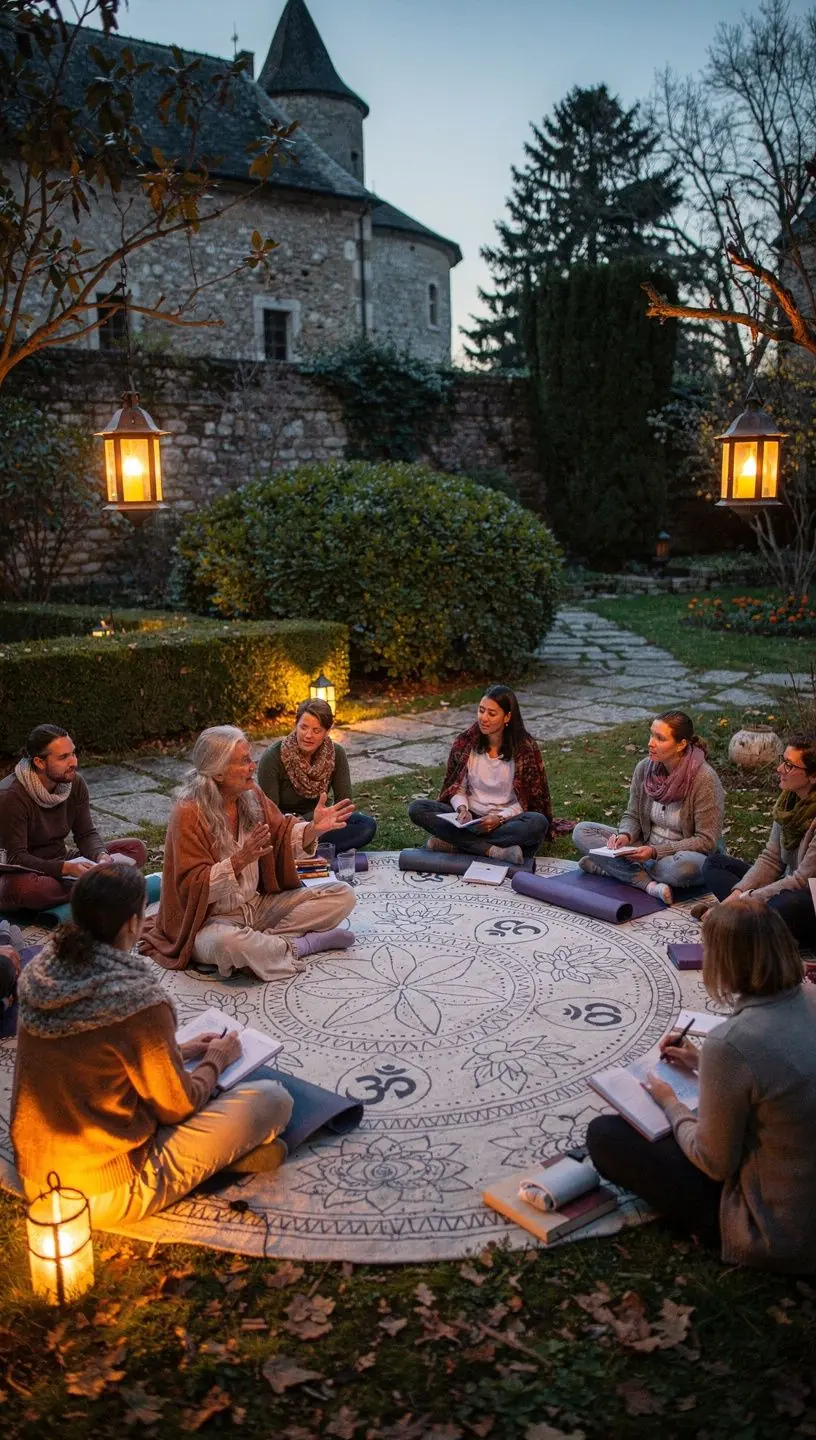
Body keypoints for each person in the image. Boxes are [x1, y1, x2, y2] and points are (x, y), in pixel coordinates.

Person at [11, 864, 294, 1228]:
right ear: (132, 924)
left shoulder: (40, 975)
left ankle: (228, 1158)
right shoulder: (137, 999)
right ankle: (223, 1160)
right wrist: (215, 1062)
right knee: (273, 1099)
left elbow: (94, 1054)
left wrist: (181, 1049)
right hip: (103, 1190)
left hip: (35, 1171)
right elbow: (178, 1107)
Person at [587, 901, 816, 1271]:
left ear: (725, 962)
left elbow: (714, 1162)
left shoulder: (732, 1043)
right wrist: (700, 1062)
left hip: (777, 1230)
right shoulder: (810, 997)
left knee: (605, 1135)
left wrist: (670, 1103)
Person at [141, 725, 356, 980]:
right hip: (211, 920)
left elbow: (281, 834)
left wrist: (313, 829)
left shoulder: (251, 793)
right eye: (244, 761)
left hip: (258, 905)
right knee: (227, 944)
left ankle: (260, 946)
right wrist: (241, 859)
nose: (252, 766)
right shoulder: (188, 813)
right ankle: (302, 945)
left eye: (250, 757)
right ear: (218, 772)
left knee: (343, 895)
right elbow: (191, 887)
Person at [572, 710, 724, 905]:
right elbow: (632, 815)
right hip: (643, 846)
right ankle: (648, 884)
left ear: (681, 744)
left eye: (660, 738)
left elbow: (706, 841)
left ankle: (610, 867)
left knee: (686, 869)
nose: (651, 743)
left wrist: (653, 853)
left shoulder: (705, 779)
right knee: (582, 831)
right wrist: (625, 836)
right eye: (651, 734)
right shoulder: (645, 768)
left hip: (679, 856)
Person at [0, 723, 146, 912]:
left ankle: (94, 886)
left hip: (64, 861)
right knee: (27, 890)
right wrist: (65, 869)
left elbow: (86, 833)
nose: (73, 762)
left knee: (135, 849)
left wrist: (100, 856)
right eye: (63, 757)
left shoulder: (74, 783)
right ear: (39, 762)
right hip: (24, 872)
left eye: (73, 754)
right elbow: (15, 857)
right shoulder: (11, 796)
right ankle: (101, 888)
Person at [407, 686, 552, 865]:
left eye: (492, 714)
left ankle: (455, 843)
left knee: (537, 823)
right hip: (469, 819)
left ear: (507, 717)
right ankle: (494, 851)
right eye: (481, 710)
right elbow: (457, 787)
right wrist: (462, 809)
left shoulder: (524, 749)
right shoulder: (466, 743)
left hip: (505, 820)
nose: (483, 718)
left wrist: (499, 818)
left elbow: (527, 801)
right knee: (418, 808)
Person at [695, 735, 816, 947]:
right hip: (785, 884)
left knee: (787, 904)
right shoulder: (788, 802)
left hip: (807, 897)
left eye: (789, 765)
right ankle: (747, 919)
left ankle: (745, 920)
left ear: (812, 776)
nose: (779, 768)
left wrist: (747, 900)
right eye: (782, 760)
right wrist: (737, 896)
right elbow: (771, 859)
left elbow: (801, 881)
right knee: (714, 864)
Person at [257, 698, 376, 855]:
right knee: (276, 839)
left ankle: (308, 853)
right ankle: (307, 852)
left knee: (366, 826)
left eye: (316, 730)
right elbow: (271, 816)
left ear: (326, 732)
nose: (308, 735)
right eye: (303, 727)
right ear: (295, 726)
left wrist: (325, 819)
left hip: (323, 822)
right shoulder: (273, 757)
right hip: (288, 828)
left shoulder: (336, 753)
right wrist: (311, 821)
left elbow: (344, 805)